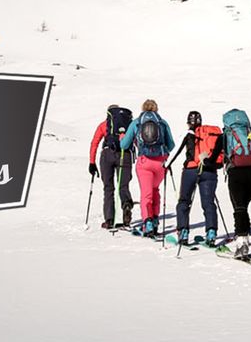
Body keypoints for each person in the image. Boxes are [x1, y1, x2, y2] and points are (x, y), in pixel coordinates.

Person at [119, 99, 175, 237]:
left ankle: (147, 222)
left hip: (144, 162)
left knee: (146, 193)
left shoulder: (137, 122)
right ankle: (155, 220)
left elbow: (125, 145)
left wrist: (122, 137)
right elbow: (171, 144)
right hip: (161, 163)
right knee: (155, 190)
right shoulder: (162, 122)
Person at [168, 111, 224, 245]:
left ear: (188, 122)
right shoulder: (210, 134)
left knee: (184, 201)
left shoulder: (188, 134)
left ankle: (183, 233)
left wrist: (166, 165)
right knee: (208, 203)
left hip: (190, 171)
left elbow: (175, 151)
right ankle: (211, 233)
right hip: (209, 170)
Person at [219, 108, 251, 256]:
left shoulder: (226, 135)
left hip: (236, 173)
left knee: (239, 207)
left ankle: (241, 242)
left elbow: (215, 158)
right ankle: (245, 237)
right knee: (243, 206)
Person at [89, 105, 134, 229]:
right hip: (124, 154)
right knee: (123, 186)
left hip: (107, 154)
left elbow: (94, 143)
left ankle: (109, 219)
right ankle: (126, 206)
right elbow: (135, 141)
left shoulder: (104, 125)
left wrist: (92, 163)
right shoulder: (127, 126)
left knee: (108, 188)